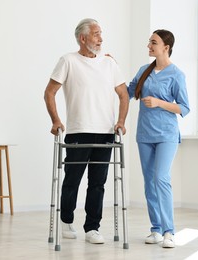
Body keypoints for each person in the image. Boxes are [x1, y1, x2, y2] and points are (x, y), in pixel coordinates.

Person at [44, 18, 129, 244]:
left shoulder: (110, 64)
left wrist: (121, 121)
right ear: (83, 38)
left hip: (105, 132)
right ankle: (66, 221)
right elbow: (49, 92)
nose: (101, 38)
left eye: (101, 33)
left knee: (98, 183)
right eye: (96, 34)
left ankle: (92, 227)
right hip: (78, 131)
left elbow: (123, 94)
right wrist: (55, 120)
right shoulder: (68, 61)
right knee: (73, 180)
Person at [127, 29, 190, 248]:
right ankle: (155, 229)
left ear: (166, 47)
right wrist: (110, 69)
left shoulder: (176, 74)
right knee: (149, 183)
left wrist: (159, 102)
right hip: (144, 134)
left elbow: (184, 108)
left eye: (153, 42)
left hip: (166, 135)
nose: (149, 46)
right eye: (149, 42)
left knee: (161, 178)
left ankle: (169, 232)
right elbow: (127, 92)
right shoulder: (145, 70)